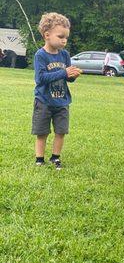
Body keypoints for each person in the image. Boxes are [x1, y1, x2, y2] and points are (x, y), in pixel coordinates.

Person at [31, 12, 81, 170]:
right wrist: (64, 72)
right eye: (61, 36)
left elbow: (67, 78)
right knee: (42, 131)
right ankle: (39, 159)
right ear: (47, 35)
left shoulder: (65, 55)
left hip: (62, 101)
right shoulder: (40, 55)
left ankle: (55, 157)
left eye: (66, 37)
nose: (64, 40)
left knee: (61, 131)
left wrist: (72, 76)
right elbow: (40, 79)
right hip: (44, 101)